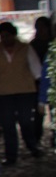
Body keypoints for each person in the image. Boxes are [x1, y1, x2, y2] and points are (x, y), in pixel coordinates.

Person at [0, 21, 42, 165]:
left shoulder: (26, 49)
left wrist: (40, 91)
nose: (5, 39)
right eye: (2, 36)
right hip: (3, 93)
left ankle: (32, 146)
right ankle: (11, 155)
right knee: (8, 125)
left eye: (7, 36)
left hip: (25, 91)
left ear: (14, 35)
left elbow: (37, 71)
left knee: (26, 122)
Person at [30, 16, 53, 145]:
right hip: (37, 84)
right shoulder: (33, 45)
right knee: (38, 114)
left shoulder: (52, 44)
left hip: (48, 83)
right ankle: (36, 138)